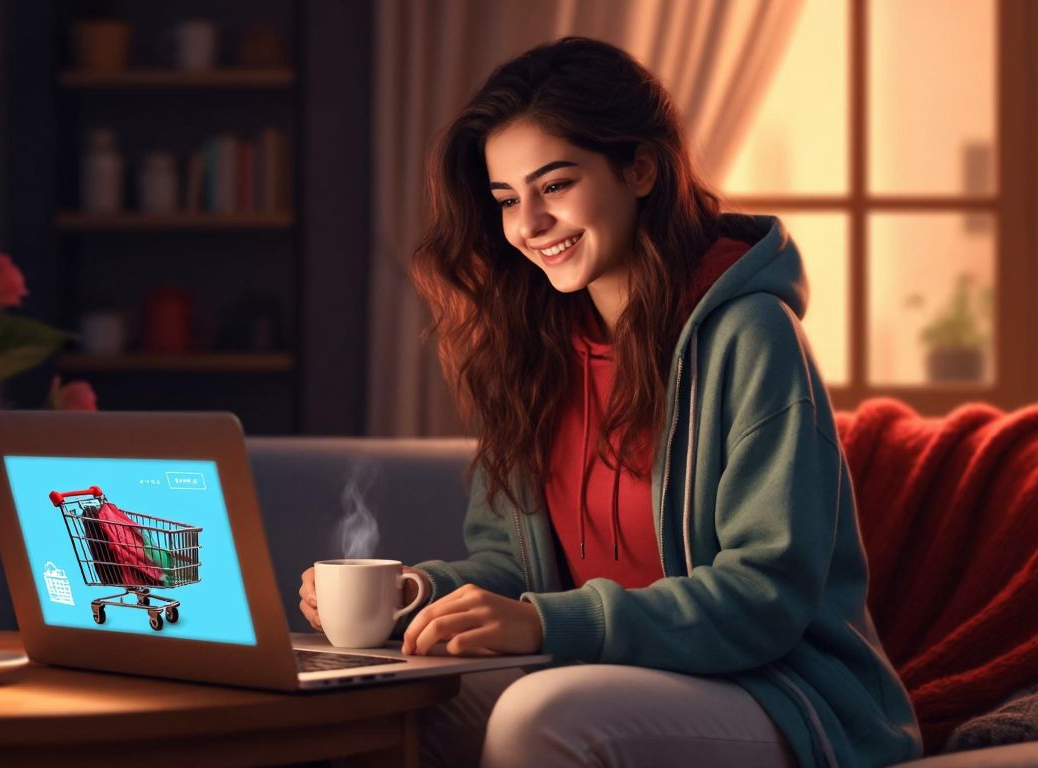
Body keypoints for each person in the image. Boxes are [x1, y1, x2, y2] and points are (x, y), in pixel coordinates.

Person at [299, 36, 922, 768]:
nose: (528, 226)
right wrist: (415, 592)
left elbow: (764, 597)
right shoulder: (532, 349)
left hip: (776, 690)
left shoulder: (752, 336)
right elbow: (515, 562)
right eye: (507, 200)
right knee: (375, 706)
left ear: (641, 168)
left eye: (555, 186)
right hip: (604, 675)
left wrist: (544, 625)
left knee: (542, 716)